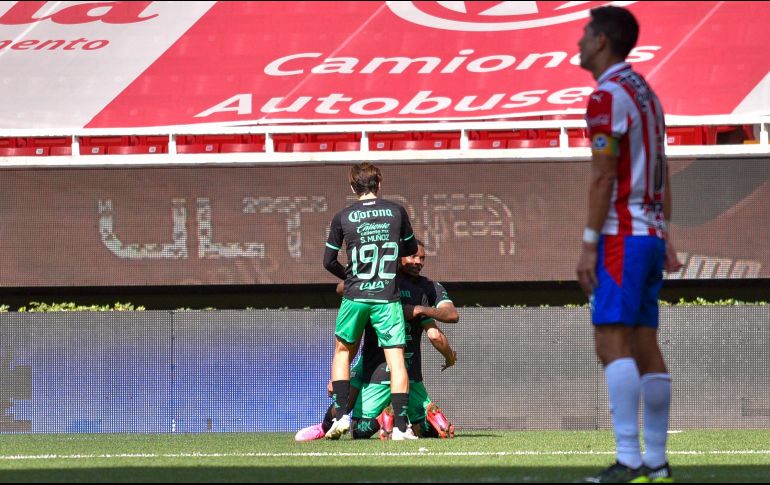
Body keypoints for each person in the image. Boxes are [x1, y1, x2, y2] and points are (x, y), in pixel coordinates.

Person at [575, 6, 683, 483]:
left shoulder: (606, 96)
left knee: (610, 339)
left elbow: (603, 177)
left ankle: (630, 459)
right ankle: (657, 462)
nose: (578, 41)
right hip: (651, 235)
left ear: (601, 41)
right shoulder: (647, 93)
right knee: (644, 343)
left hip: (622, 237)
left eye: (584, 33)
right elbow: (660, 165)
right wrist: (666, 232)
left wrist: (587, 244)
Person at [296, 240, 458, 441]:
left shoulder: (384, 284)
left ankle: (379, 420)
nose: (418, 262)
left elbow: (341, 290)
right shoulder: (423, 291)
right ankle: (427, 420)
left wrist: (416, 309)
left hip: (376, 365)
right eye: (413, 256)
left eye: (422, 258)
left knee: (356, 426)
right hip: (408, 368)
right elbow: (437, 332)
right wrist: (449, 355)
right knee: (418, 422)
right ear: (398, 258)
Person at [322, 163, 418, 440]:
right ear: (380, 183)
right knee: (396, 359)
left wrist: (351, 276)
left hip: (355, 296)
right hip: (387, 297)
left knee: (342, 352)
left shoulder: (343, 216)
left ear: (353, 187)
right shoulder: (396, 211)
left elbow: (327, 261)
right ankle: (401, 426)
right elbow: (410, 249)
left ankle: (340, 416)